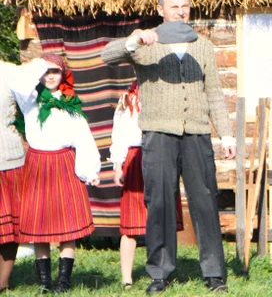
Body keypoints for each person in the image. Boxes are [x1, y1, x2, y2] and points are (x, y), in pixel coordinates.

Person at [101, 0, 235, 294]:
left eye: (185, 6)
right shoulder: (147, 42)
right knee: (159, 202)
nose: (181, 11)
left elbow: (213, 91)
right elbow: (107, 55)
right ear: (161, 10)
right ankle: (160, 273)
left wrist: (225, 133)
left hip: (197, 134)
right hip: (158, 134)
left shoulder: (202, 45)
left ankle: (214, 274)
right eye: (174, 6)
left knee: (205, 201)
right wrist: (135, 39)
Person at [9, 54, 101, 293]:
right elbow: (20, 81)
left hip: (64, 163)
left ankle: (63, 281)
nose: (50, 76)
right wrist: (41, 64)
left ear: (64, 75)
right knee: (39, 224)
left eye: (55, 71)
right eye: (46, 71)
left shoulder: (70, 103)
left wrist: (89, 169)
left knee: (66, 223)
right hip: (37, 164)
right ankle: (44, 282)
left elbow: (83, 138)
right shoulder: (30, 99)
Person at [110, 80, 185, 289]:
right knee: (131, 223)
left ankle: (166, 272)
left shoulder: (166, 95)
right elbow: (119, 133)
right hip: (135, 158)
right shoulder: (127, 99)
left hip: (161, 156)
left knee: (164, 218)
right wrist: (118, 165)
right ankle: (127, 277)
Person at [0, 60, 40, 291]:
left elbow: (37, 106)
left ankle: (3, 282)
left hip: (8, 157)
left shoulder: (11, 72)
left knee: (9, 227)